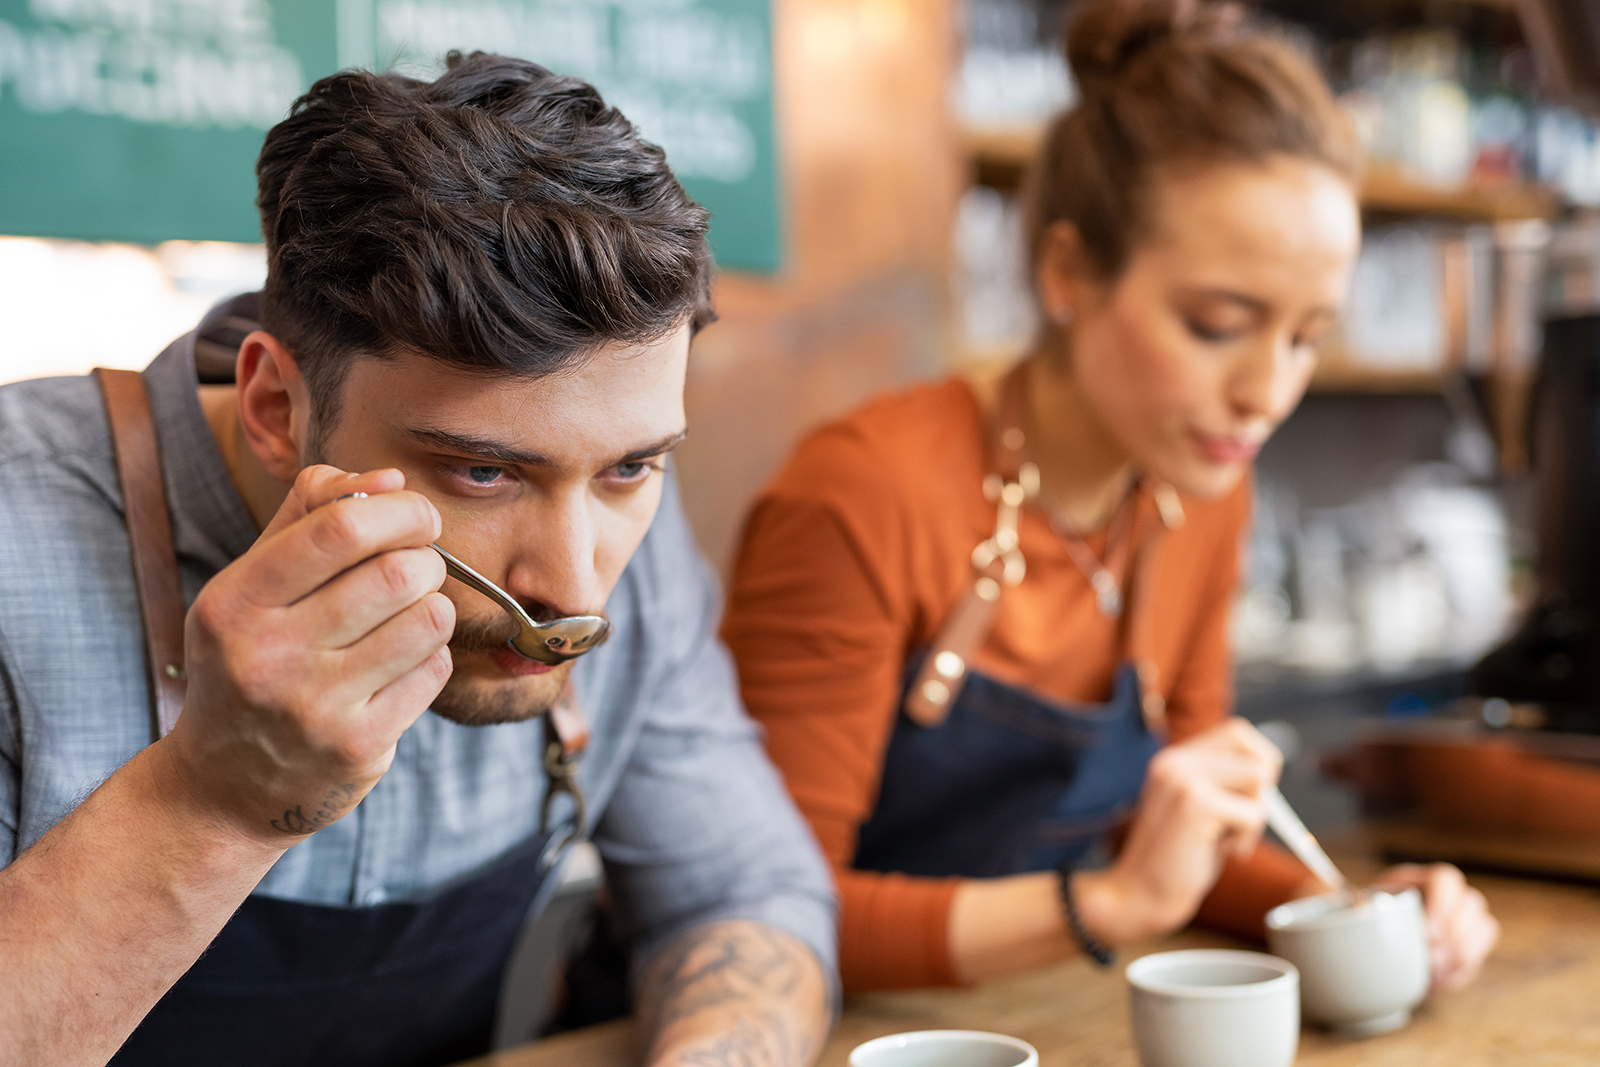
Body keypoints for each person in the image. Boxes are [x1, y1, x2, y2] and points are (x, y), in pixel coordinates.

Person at [0, 53, 834, 1067]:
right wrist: (208, 799)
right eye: (483, 473)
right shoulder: (18, 539)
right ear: (276, 406)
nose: (572, 591)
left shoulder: (623, 543)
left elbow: (745, 893)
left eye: (631, 465)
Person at [721, 0, 1499, 994]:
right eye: (1219, 323)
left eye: (1306, 336)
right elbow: (754, 915)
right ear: (1067, 271)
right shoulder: (866, 494)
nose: (1266, 394)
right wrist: (1108, 905)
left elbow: (1182, 834)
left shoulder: (1197, 486)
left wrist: (1355, 919)